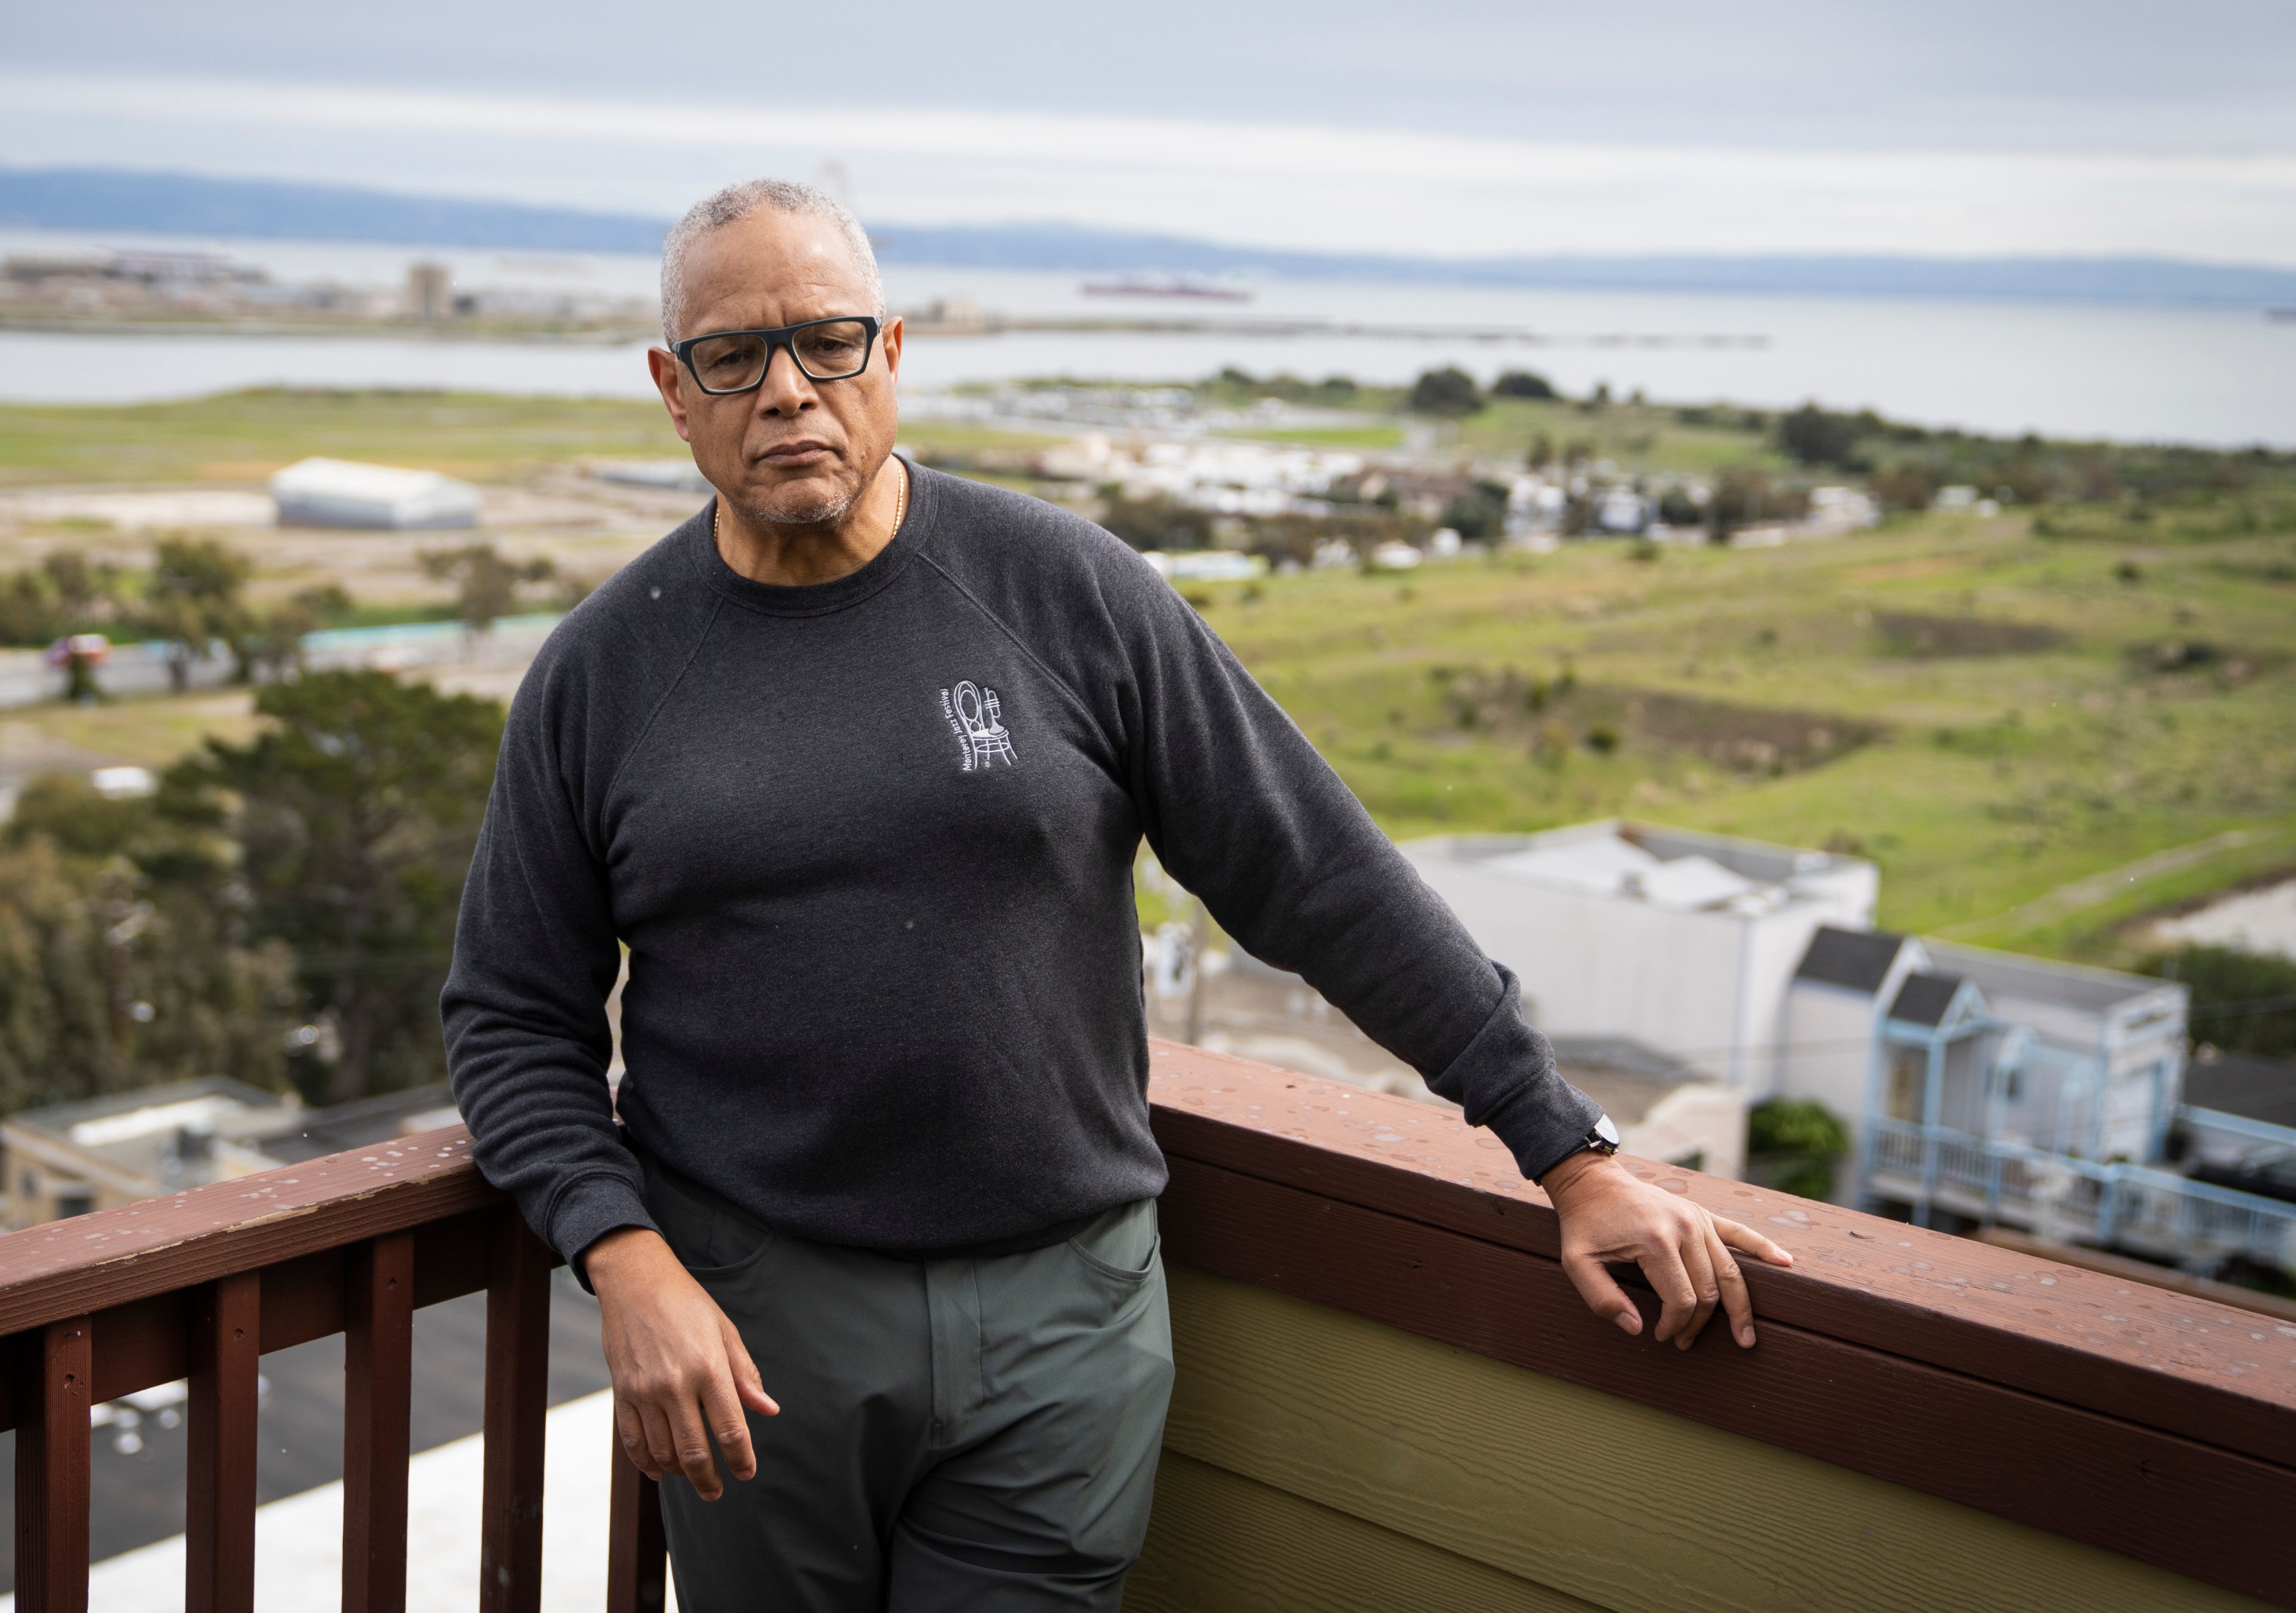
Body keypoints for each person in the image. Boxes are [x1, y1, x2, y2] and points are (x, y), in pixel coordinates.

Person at [441, 179, 1792, 1612]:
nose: (788, 391)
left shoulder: (1066, 590)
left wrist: (1570, 1152)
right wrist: (626, 1255)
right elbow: (513, 1015)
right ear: (673, 389)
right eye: (734, 355)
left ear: (891, 352)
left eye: (828, 342)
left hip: (1062, 1319)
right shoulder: (606, 673)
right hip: (758, 1329)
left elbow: (1318, 875)